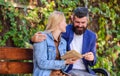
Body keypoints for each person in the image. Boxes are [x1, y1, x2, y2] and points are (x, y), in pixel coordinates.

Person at [32, 7, 97, 76]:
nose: (80, 25)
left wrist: (92, 58)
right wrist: (32, 40)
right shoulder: (66, 30)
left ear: (87, 21)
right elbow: (46, 37)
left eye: (83, 22)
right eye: (77, 22)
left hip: (83, 71)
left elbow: (93, 60)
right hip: (69, 70)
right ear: (72, 19)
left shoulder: (91, 36)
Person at [33, 11, 77, 76]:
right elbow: (42, 63)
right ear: (58, 23)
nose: (66, 24)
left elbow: (63, 68)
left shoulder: (63, 42)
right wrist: (64, 62)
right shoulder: (42, 37)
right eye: (64, 22)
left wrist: (67, 62)